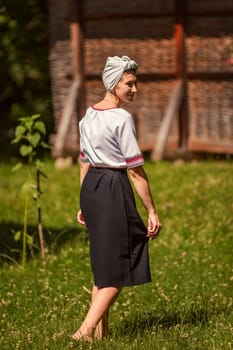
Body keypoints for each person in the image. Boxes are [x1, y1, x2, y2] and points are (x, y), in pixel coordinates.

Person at [72, 55, 162, 342]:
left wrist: (83, 200)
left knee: (103, 261)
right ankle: (84, 331)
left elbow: (84, 160)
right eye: (129, 84)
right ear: (113, 84)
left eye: (135, 84)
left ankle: (101, 333)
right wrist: (152, 211)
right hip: (113, 186)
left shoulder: (88, 115)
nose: (134, 89)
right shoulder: (121, 118)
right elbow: (135, 171)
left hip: (93, 189)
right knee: (123, 260)